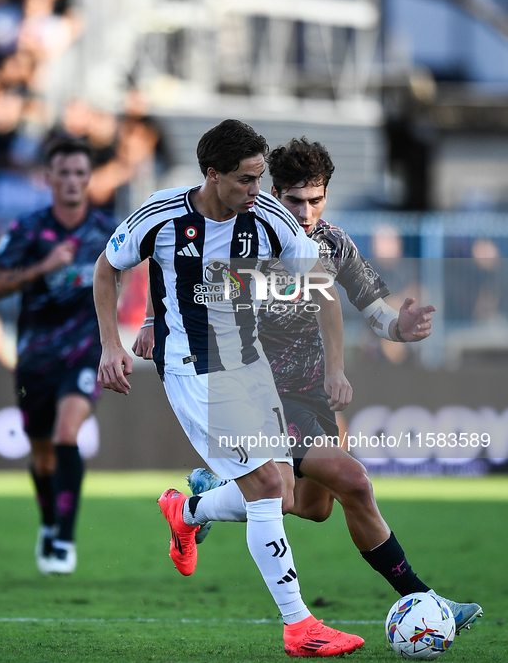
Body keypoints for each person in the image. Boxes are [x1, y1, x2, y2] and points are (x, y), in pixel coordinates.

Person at [134, 137, 483, 634]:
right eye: (293, 200)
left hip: (307, 391)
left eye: (314, 200)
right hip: (256, 391)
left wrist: (397, 327)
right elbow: (182, 273)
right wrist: (152, 318)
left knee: (311, 506)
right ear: (273, 192)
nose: (303, 211)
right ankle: (426, 601)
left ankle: (194, 506)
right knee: (354, 483)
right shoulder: (248, 232)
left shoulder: (334, 243)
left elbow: (370, 304)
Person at [94, 118, 365, 658]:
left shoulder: (267, 220)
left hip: (248, 364)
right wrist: (111, 345)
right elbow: (107, 269)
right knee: (266, 488)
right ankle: (299, 626)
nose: (257, 191)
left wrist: (335, 367)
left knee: (284, 493)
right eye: (246, 180)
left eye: (260, 178)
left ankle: (187, 512)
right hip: (192, 367)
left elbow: (323, 291)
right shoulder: (161, 214)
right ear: (212, 175)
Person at [0, 138, 113, 575]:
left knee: (66, 434)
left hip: (83, 351)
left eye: (81, 173)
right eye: (65, 173)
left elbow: (136, 271)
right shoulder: (28, 229)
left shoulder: (106, 231)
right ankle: (48, 522)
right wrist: (43, 268)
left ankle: (63, 539)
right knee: (42, 454)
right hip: (34, 358)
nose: (73, 181)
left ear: (89, 178)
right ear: (49, 178)